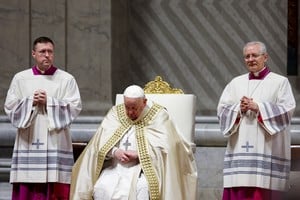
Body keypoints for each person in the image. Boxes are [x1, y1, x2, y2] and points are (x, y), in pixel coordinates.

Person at [70, 85, 197, 200]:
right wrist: (115, 151)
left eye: (134, 108)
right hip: (115, 167)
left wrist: (139, 155)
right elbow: (98, 143)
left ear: (144, 102)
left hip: (144, 170)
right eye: (127, 107)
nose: (130, 112)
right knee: (101, 188)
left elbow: (168, 148)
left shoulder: (158, 116)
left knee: (142, 190)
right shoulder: (116, 113)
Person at [4, 36, 82, 200]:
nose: (47, 55)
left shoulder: (66, 79)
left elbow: (75, 106)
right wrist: (30, 101)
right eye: (42, 52)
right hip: (28, 139)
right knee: (28, 183)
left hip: (55, 140)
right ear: (34, 54)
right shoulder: (21, 78)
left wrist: (50, 102)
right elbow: (10, 107)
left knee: (54, 184)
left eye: (50, 52)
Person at [217, 41, 296, 200]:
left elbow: (287, 109)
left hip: (267, 147)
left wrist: (258, 107)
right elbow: (222, 110)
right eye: (247, 56)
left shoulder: (280, 82)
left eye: (255, 55)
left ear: (265, 57)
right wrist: (239, 108)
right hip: (239, 146)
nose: (250, 59)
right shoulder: (235, 82)